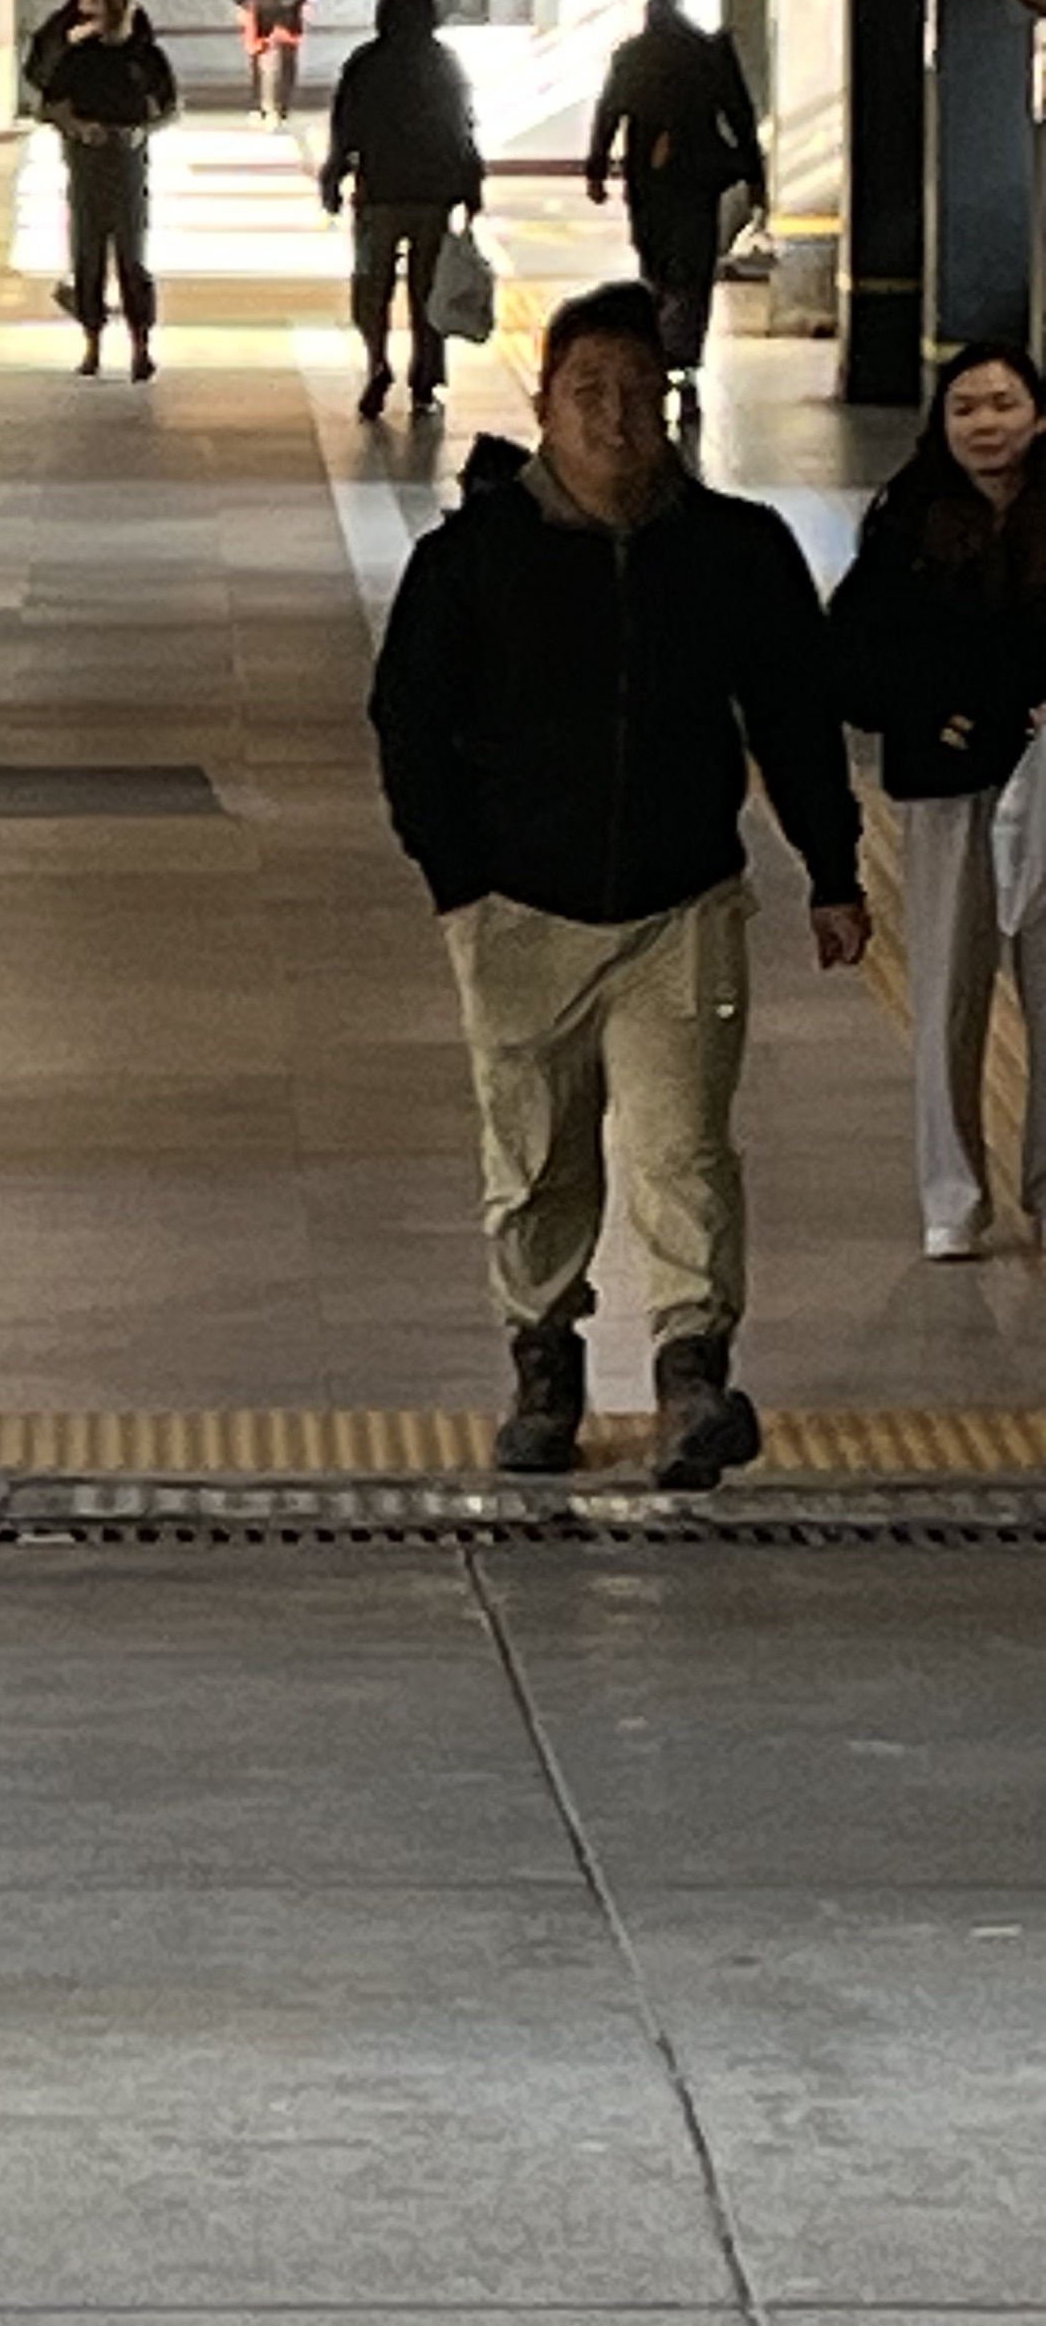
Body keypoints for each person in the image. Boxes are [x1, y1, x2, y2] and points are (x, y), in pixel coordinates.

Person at [369, 283, 867, 1487]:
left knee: (684, 1149)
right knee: (535, 1157)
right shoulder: (471, 559)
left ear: (671, 403)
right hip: (517, 908)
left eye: (640, 392)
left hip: (681, 904)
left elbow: (794, 716)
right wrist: (458, 880)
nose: (616, 417)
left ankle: (694, 1376)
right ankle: (545, 1370)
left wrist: (833, 868)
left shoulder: (737, 551)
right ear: (543, 405)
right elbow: (409, 722)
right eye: (589, 392)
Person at [826, 345, 1046, 1259]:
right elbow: (853, 655)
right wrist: (937, 713)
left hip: (1045, 773)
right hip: (948, 780)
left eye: (1003, 403)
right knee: (950, 983)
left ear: (1039, 414)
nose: (986, 424)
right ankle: (951, 1197)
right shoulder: (908, 522)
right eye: (965, 408)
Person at [584, 0, 764, 413]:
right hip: (698, 182)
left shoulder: (633, 55)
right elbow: (740, 116)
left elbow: (609, 113)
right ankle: (683, 367)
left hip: (649, 183)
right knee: (693, 274)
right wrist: (756, 178)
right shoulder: (706, 52)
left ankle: (661, 358)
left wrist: (597, 169)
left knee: (656, 270)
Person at [320, 0, 488, 424]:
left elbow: (345, 127)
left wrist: (334, 175)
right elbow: (461, 127)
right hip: (432, 196)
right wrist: (471, 185)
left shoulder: (366, 63)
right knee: (426, 291)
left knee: (372, 288)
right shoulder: (442, 63)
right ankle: (425, 378)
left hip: (380, 194)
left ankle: (377, 361)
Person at [35, 0, 178, 383]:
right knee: (88, 257)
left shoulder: (147, 58)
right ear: (96, 2)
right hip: (87, 167)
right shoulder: (81, 57)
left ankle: (140, 344)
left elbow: (170, 107)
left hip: (128, 167)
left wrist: (142, 130)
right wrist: (79, 128)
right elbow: (49, 106)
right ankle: (92, 341)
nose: (116, 4)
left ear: (134, 2)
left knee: (133, 259)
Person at [230, 0, 319, 125]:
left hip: (291, 2)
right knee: (257, 53)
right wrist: (239, 1)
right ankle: (258, 104)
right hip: (260, 1)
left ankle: (282, 106)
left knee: (287, 54)